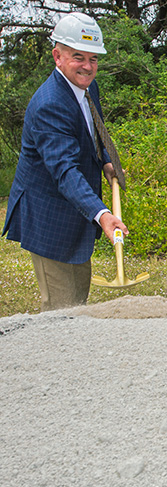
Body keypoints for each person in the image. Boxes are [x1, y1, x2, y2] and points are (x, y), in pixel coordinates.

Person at [2, 13, 127, 311]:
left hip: (74, 214)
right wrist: (103, 214)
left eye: (93, 59)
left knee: (78, 299)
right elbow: (65, 171)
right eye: (78, 57)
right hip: (49, 217)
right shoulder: (50, 105)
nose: (87, 66)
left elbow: (94, 130)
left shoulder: (86, 87)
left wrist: (106, 160)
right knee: (61, 310)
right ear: (58, 56)